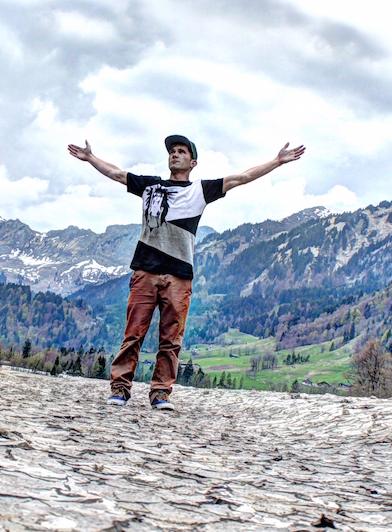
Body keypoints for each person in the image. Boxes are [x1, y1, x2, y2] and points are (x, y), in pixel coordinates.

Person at [68, 134, 305, 409]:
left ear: (192, 162)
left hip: (179, 276)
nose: (174, 154)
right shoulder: (150, 187)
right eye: (172, 151)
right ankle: (120, 389)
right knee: (133, 333)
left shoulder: (200, 191)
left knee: (171, 339)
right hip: (145, 271)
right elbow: (117, 174)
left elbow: (241, 178)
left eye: (181, 151)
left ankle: (160, 393)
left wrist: (277, 161)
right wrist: (90, 158)